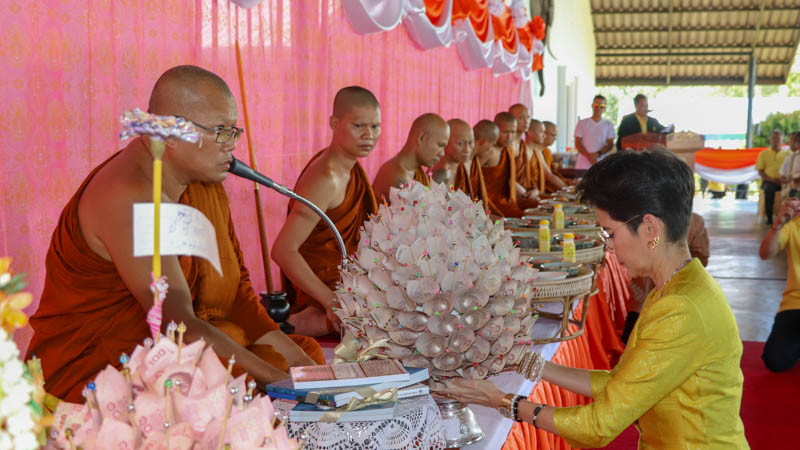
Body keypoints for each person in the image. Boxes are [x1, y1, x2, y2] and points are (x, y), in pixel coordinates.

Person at [28, 65, 324, 402]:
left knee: (305, 353)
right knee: (239, 386)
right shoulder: (129, 196)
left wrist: (307, 373)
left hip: (178, 351)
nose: (231, 145)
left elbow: (237, 295)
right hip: (101, 374)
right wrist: (286, 383)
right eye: (219, 131)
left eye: (233, 130)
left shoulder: (202, 185)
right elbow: (178, 326)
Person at [443, 150, 748, 448]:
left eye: (610, 234)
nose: (609, 249)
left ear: (650, 229)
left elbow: (598, 425)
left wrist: (503, 402)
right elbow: (620, 384)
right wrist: (525, 362)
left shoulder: (681, 308)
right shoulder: (674, 287)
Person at [273, 86, 381, 338]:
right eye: (358, 126)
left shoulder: (350, 168)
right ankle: (304, 321)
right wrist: (332, 301)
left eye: (375, 127)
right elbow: (282, 250)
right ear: (334, 123)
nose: (369, 135)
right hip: (325, 285)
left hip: (350, 277)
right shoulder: (327, 177)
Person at [758, 196, 800, 372]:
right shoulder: (793, 225)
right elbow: (765, 254)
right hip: (795, 303)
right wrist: (777, 225)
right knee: (775, 361)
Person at [372, 113, 449, 201]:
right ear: (421, 138)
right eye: (440, 145)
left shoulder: (413, 170)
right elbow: (425, 213)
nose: (442, 153)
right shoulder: (399, 176)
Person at [481, 112, 528, 217]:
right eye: (505, 132)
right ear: (496, 130)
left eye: (513, 132)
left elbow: (508, 179)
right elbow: (474, 180)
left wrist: (525, 193)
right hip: (490, 202)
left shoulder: (507, 150)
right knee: (525, 216)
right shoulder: (488, 151)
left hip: (507, 200)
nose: (509, 136)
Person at [431, 118, 476, 195]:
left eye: (471, 142)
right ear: (445, 142)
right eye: (460, 144)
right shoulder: (441, 173)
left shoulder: (464, 164)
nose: (467, 150)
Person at [508, 104, 540, 207]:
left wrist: (534, 190)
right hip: (510, 195)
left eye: (528, 117)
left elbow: (528, 177)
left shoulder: (523, 146)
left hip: (525, 192)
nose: (526, 121)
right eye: (521, 118)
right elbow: (505, 179)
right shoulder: (506, 146)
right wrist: (524, 193)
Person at [756, 129, 790, 225]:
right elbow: (760, 171)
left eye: (778, 139)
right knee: (769, 189)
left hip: (785, 181)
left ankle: (788, 216)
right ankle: (769, 217)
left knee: (792, 191)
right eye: (773, 138)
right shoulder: (764, 153)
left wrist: (784, 180)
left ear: (782, 140)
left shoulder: (788, 154)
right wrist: (771, 179)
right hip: (769, 180)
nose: (775, 141)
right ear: (770, 140)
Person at [574, 95, 615, 169]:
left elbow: (610, 144)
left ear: (605, 108)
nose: (598, 108)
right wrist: (589, 156)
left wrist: (597, 154)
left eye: (602, 106)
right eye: (596, 105)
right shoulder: (582, 123)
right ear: (592, 106)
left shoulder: (609, 124)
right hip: (583, 164)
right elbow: (577, 143)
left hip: (601, 162)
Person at [470, 119, 501, 215]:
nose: (490, 149)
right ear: (484, 142)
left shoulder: (474, 160)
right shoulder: (464, 160)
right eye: (491, 145)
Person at [527, 119, 567, 192]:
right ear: (530, 132)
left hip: (539, 191)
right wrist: (567, 189)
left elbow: (551, 173)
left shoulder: (540, 152)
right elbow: (548, 175)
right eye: (541, 132)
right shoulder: (525, 150)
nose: (544, 136)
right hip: (529, 192)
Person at [779, 131, 800, 197]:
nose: (790, 143)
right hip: (792, 189)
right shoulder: (791, 157)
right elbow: (782, 175)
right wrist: (788, 181)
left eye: (792, 140)